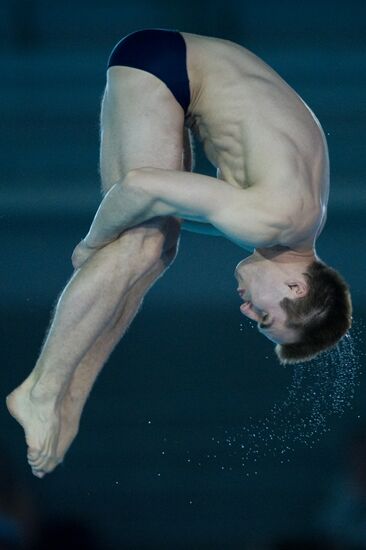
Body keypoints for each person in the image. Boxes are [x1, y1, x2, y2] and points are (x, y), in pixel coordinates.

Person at [6, 28, 352, 478]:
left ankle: (70, 398)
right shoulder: (270, 219)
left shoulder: (296, 223)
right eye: (265, 317)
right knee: (140, 242)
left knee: (157, 245)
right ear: (295, 284)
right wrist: (91, 245)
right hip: (166, 65)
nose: (247, 310)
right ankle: (40, 390)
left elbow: (170, 208)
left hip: (184, 70)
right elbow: (139, 187)